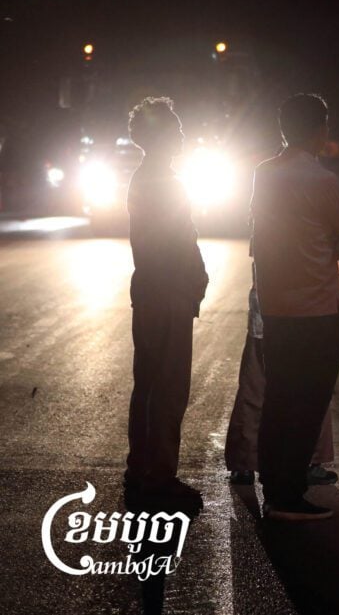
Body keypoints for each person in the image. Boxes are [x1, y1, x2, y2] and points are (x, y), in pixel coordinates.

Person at [251, 93, 339, 520]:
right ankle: (288, 496)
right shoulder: (321, 179)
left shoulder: (264, 173)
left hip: (276, 306)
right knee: (307, 403)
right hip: (314, 311)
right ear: (319, 130)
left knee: (279, 399)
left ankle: (273, 485)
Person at [122, 97, 208, 511]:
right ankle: (159, 477)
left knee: (149, 386)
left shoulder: (147, 177)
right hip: (168, 293)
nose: (181, 134)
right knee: (169, 389)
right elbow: (178, 240)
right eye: (174, 127)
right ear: (159, 137)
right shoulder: (163, 181)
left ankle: (140, 470)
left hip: (152, 292)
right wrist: (194, 280)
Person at [223, 271, 338, 486]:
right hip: (309, 308)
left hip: (270, 306)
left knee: (255, 385)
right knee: (312, 386)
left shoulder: (267, 234)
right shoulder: (317, 235)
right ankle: (310, 460)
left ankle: (245, 462)